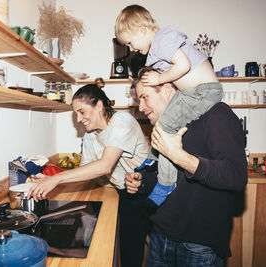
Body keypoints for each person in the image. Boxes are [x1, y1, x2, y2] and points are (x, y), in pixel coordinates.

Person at [125, 67, 248, 266]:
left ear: (166, 90)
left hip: (199, 247)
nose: (141, 107)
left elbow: (236, 176)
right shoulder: (163, 127)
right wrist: (141, 182)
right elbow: (163, 176)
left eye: (144, 97)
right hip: (159, 237)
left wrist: (180, 157)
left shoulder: (216, 114)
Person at [27, 79, 152, 267]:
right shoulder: (90, 135)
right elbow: (85, 175)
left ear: (100, 105)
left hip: (148, 189)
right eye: (76, 113)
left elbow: (105, 166)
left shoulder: (122, 121)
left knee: (147, 248)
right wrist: (51, 181)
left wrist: (57, 178)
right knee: (130, 249)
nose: (78, 119)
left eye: (82, 112)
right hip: (125, 191)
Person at [115, 5, 223, 207]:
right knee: (162, 127)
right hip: (191, 92)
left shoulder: (162, 40)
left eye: (130, 43)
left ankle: (166, 183)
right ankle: (153, 160)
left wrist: (159, 78)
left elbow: (184, 66)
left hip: (203, 91)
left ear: (142, 30)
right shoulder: (157, 49)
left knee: (164, 128)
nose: (131, 49)